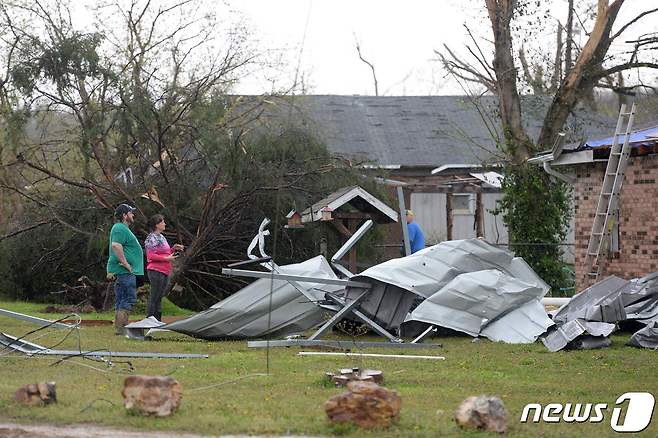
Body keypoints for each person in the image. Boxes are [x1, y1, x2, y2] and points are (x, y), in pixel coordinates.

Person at [107, 204, 144, 335]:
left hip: (125, 272)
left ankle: (120, 329)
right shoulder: (119, 228)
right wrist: (127, 264)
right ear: (124, 215)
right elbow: (116, 246)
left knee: (122, 299)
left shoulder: (123, 229)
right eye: (131, 212)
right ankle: (121, 329)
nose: (133, 215)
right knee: (128, 298)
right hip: (124, 272)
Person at [144, 214, 184, 321]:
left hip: (165, 270)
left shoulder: (162, 237)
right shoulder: (151, 237)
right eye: (162, 222)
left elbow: (165, 253)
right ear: (157, 225)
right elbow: (151, 256)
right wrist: (167, 259)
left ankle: (157, 321)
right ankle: (149, 320)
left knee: (159, 297)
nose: (164, 224)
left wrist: (173, 249)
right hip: (155, 270)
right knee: (155, 296)